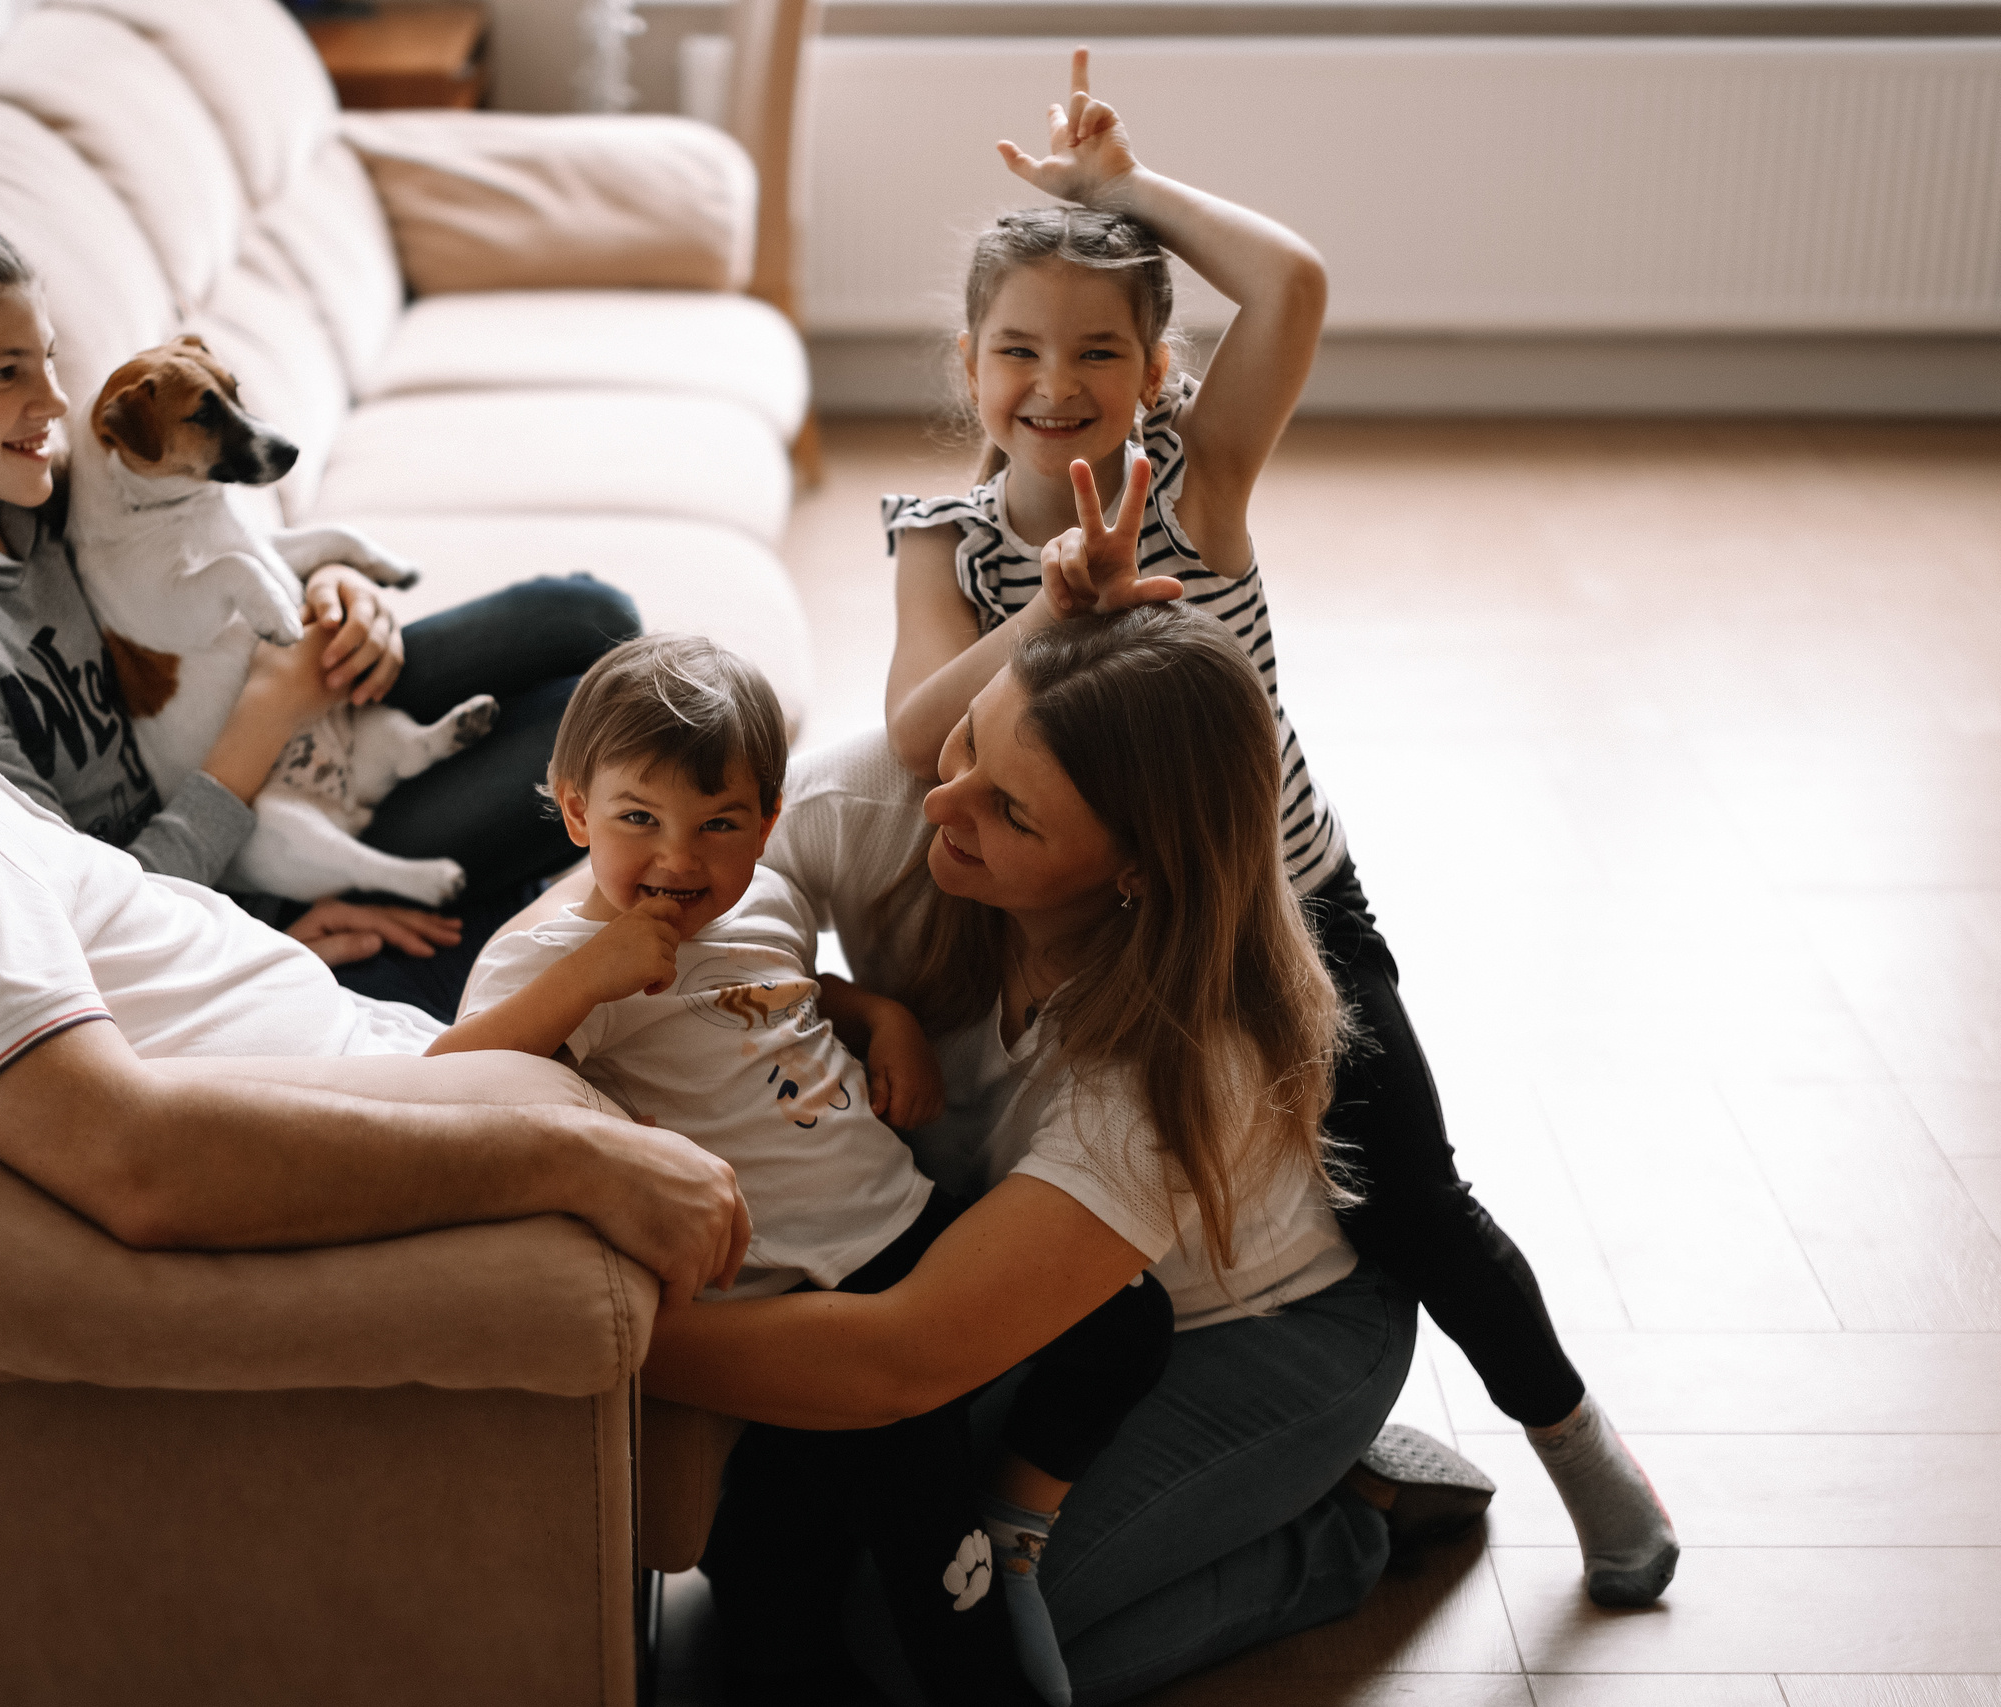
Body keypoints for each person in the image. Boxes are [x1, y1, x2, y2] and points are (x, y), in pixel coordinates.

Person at [879, 53, 1675, 1609]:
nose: (1056, 384)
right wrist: (1048, 607)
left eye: (1099, 351)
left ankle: (1576, 1439)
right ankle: (1325, 1454)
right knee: (1162, 1231)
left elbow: (1294, 282)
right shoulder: (944, 542)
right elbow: (915, 731)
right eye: (1018, 351)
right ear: (968, 368)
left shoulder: (1200, 480)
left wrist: (1122, 193)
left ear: (1158, 370)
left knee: (1405, 1190)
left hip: (1285, 906)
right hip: (1097, 937)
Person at [0, 309, 747, 1316]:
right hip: (408, 1095)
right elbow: (135, 1163)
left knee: (737, 937)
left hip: (361, 1034)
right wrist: (568, 1156)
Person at [648, 604, 1459, 1706]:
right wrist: (851, 1000)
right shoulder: (899, 802)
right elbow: (650, 891)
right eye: (970, 738)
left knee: (908, 1648)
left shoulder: (1187, 1059)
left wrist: (590, 1332)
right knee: (783, 1562)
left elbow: (900, 1356)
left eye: (1009, 814)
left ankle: (1337, 1528)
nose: (941, 800)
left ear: (1134, 870)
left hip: (1269, 1332)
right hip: (1052, 1298)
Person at [433, 633, 1174, 1702]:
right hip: (804, 1283)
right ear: (575, 809)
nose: (680, 862)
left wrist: (882, 1018)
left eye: (718, 825)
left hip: (906, 1215)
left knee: (1127, 1316)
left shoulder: (763, 900)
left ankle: (1013, 1522)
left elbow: (778, 994)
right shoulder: (549, 964)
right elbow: (445, 1086)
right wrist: (585, 983)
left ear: (767, 822)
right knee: (931, 1579)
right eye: (638, 820)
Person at [0, 196, 642, 1017]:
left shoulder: (43, 502)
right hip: (254, 867)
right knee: (612, 739)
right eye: (5, 372)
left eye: (48, 358)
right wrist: (272, 915)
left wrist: (329, 588)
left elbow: (210, 541)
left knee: (586, 614)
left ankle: (515, 901)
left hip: (300, 701)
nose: (58, 402)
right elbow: (90, 913)